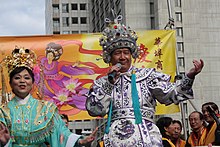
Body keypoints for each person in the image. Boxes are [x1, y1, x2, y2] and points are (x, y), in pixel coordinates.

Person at [85, 12, 204, 146]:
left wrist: (190, 76)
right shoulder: (103, 82)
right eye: (118, 53)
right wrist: (109, 84)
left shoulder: (147, 76)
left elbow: (171, 93)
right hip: (115, 139)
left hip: (146, 138)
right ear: (110, 57)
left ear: (132, 55)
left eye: (126, 52)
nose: (122, 57)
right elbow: (94, 109)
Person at [0, 47, 97, 146]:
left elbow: (61, 133)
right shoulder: (3, 112)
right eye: (17, 78)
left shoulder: (46, 109)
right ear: (11, 83)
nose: (22, 81)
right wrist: (5, 142)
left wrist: (80, 141)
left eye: (26, 78)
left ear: (33, 83)